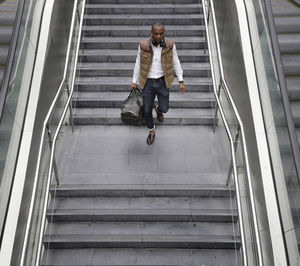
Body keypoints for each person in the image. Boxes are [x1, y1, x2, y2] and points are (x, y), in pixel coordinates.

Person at [130, 22, 186, 145]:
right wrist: (134, 81)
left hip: (162, 82)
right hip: (147, 83)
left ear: (164, 33)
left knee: (165, 108)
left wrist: (181, 80)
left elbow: (176, 62)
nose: (159, 36)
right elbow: (138, 63)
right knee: (146, 111)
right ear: (152, 33)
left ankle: (158, 109)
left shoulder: (170, 45)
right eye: (156, 34)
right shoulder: (143, 45)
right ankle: (151, 130)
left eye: (161, 33)